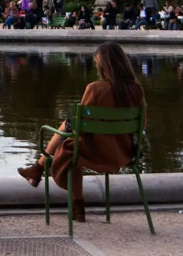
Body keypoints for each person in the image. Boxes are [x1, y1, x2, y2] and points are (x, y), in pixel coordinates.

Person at [17, 43, 146, 222]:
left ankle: (72, 201)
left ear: (103, 65)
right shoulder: (136, 90)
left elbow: (81, 126)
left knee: (71, 148)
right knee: (69, 131)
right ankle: (37, 170)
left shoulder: (95, 88)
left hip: (95, 152)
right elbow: (141, 127)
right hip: (123, 153)